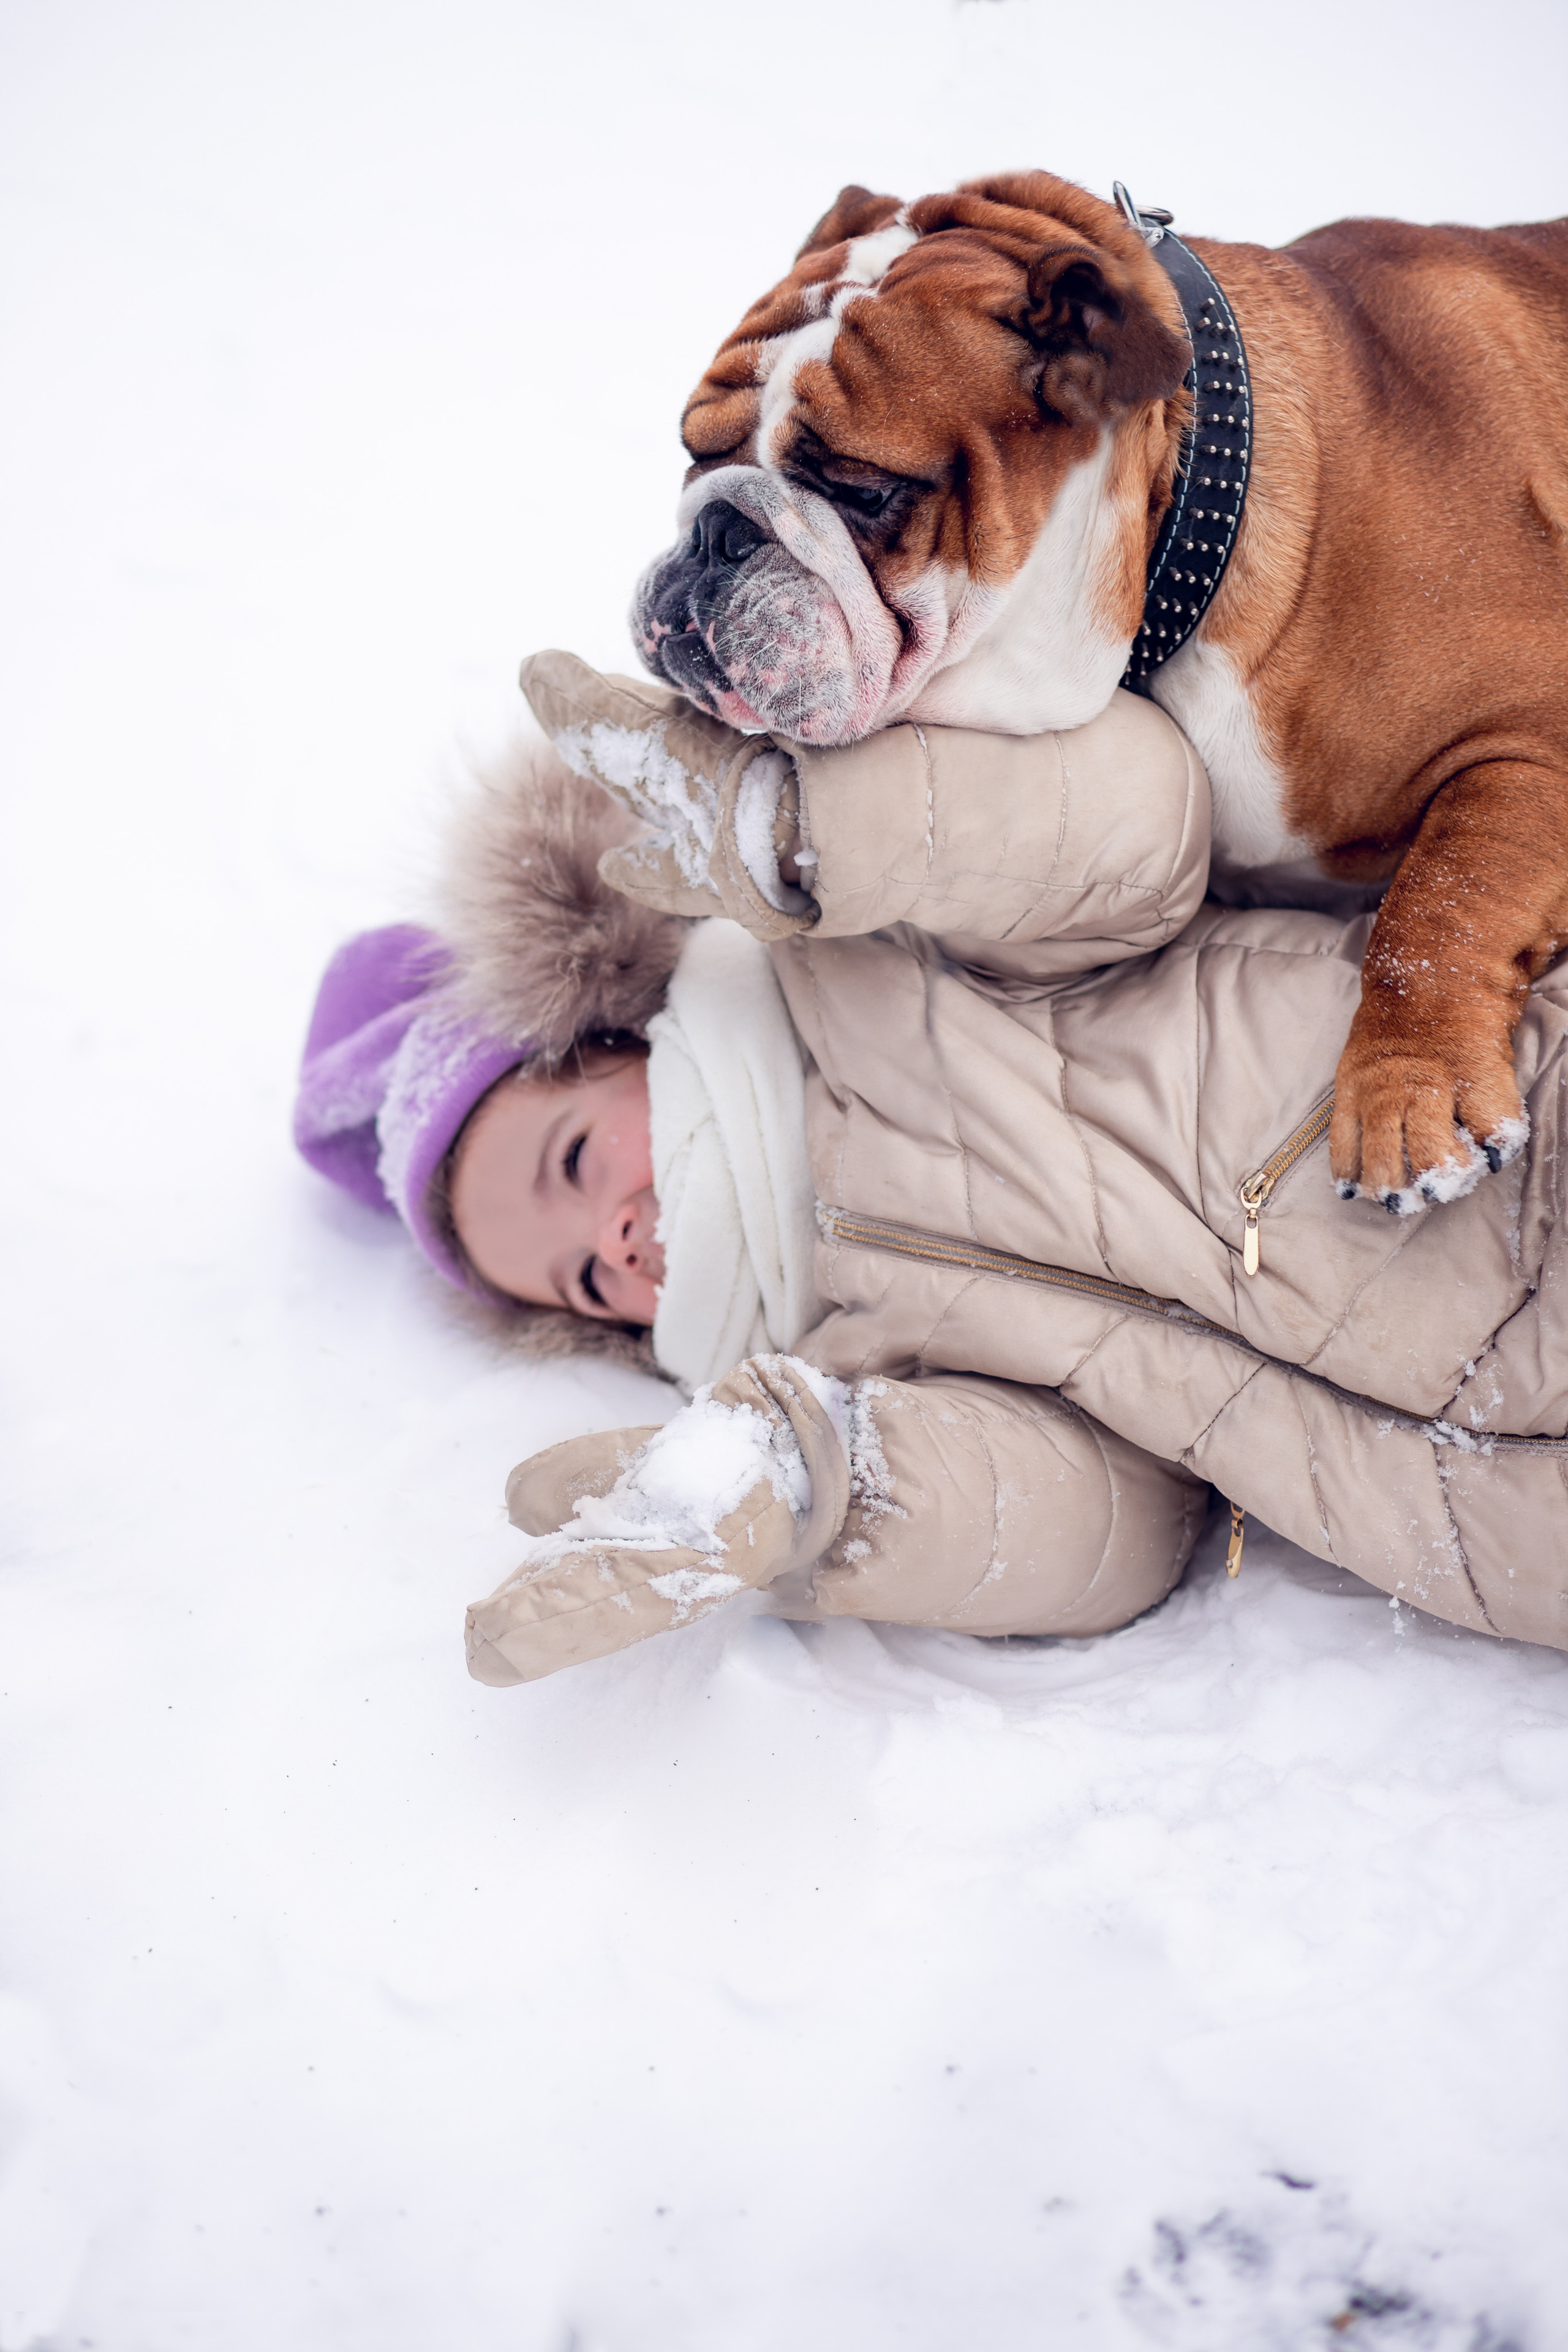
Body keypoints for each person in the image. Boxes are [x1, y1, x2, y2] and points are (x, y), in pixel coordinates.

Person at [295, 655, 1568, 1684]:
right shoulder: (841, 1361)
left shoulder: (874, 956)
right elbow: (1113, 1529)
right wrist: (812, 1492)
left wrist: (828, 838)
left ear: (619, 1031)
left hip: (1514, 1129)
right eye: (579, 1278)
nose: (616, 1240)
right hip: (1500, 1511)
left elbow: (1137, 819)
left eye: (574, 1161)